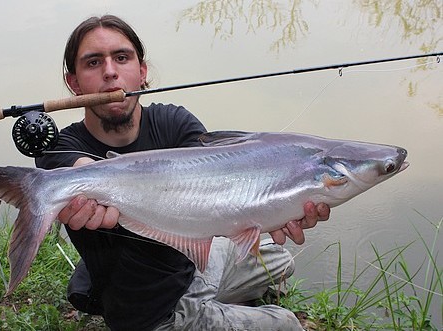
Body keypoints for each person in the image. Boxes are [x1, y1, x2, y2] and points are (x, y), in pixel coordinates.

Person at [36, 15, 330, 331]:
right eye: (93, 62)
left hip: (188, 269)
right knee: (286, 325)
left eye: (122, 58)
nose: (110, 72)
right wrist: (88, 189)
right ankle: (210, 313)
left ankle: (214, 305)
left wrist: (281, 206)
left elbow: (220, 188)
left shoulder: (174, 121)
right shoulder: (61, 147)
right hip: (148, 311)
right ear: (74, 82)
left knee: (280, 258)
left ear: (142, 71)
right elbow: (79, 168)